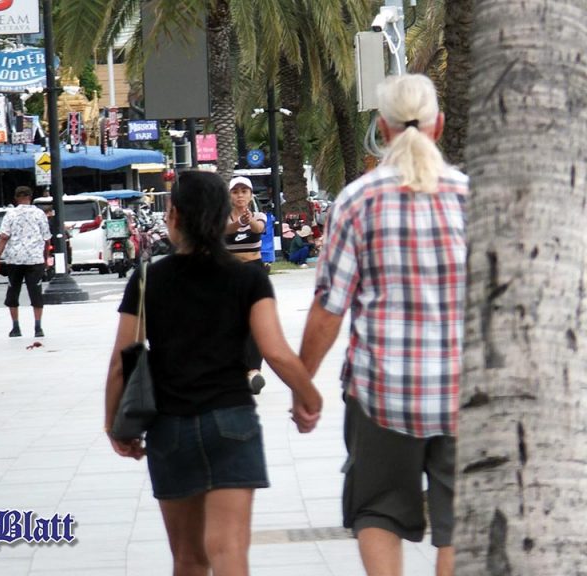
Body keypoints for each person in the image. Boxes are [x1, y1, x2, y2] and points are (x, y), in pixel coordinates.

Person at [105, 170, 323, 576]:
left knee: (188, 558)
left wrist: (113, 424)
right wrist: (309, 398)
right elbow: (275, 351)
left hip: (169, 426)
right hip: (233, 421)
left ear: (173, 216)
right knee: (229, 550)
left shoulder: (149, 278)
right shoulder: (248, 278)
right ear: (224, 216)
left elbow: (121, 360)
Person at [299, 74, 467, 576]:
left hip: (381, 394)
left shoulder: (356, 200)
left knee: (377, 511)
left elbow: (329, 308)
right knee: (460, 522)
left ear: (382, 128)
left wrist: (303, 386)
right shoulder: (471, 197)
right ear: (438, 125)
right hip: (462, 392)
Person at [224, 176, 268, 393]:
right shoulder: (222, 217)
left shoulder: (259, 215)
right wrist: (238, 222)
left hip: (254, 271)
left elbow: (258, 229)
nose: (240, 196)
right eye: (235, 192)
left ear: (251, 195)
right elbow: (225, 231)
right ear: (230, 195)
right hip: (230, 272)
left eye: (244, 192)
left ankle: (254, 370)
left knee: (256, 323)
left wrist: (248, 220)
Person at [0, 186, 52, 338]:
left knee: (13, 292)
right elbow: (46, 238)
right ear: (30, 197)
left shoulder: (10, 214)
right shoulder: (39, 214)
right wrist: (46, 258)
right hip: (35, 259)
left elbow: (3, 237)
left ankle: (15, 327)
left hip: (14, 259)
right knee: (36, 293)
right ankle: (38, 327)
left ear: (16, 198)